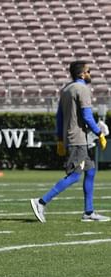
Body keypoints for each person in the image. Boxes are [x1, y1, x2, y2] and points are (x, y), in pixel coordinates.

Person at [30, 60, 109, 223]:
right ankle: (41, 201)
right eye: (88, 71)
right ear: (81, 74)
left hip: (72, 138)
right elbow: (87, 116)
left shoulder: (66, 89)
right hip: (78, 139)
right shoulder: (82, 89)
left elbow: (59, 117)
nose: (90, 74)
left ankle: (88, 212)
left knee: (91, 171)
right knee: (74, 175)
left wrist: (60, 138)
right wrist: (99, 133)